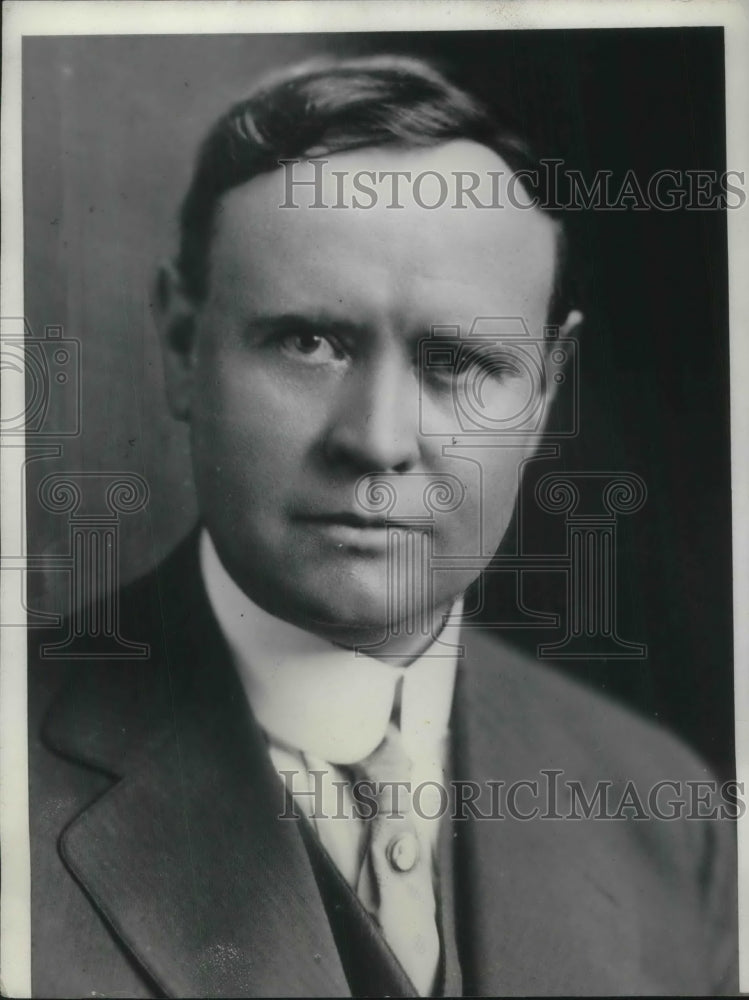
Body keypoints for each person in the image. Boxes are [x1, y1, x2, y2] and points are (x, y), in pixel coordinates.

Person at [27, 55, 737, 997]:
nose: (376, 440)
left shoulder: (666, 812)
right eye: (309, 342)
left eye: (456, 361)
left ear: (544, 392)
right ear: (180, 346)